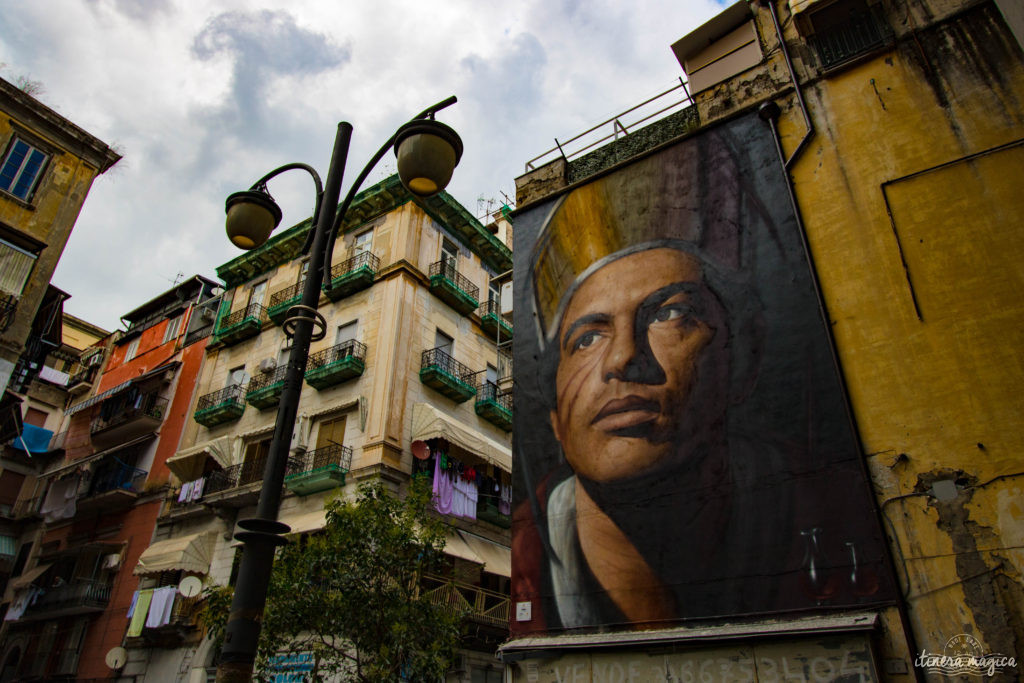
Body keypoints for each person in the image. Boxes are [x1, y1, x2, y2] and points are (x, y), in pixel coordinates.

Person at [512, 123, 891, 632]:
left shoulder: (847, 519)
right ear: (555, 418)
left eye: (670, 314)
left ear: (744, 357)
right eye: (586, 337)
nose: (623, 358)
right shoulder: (522, 557)